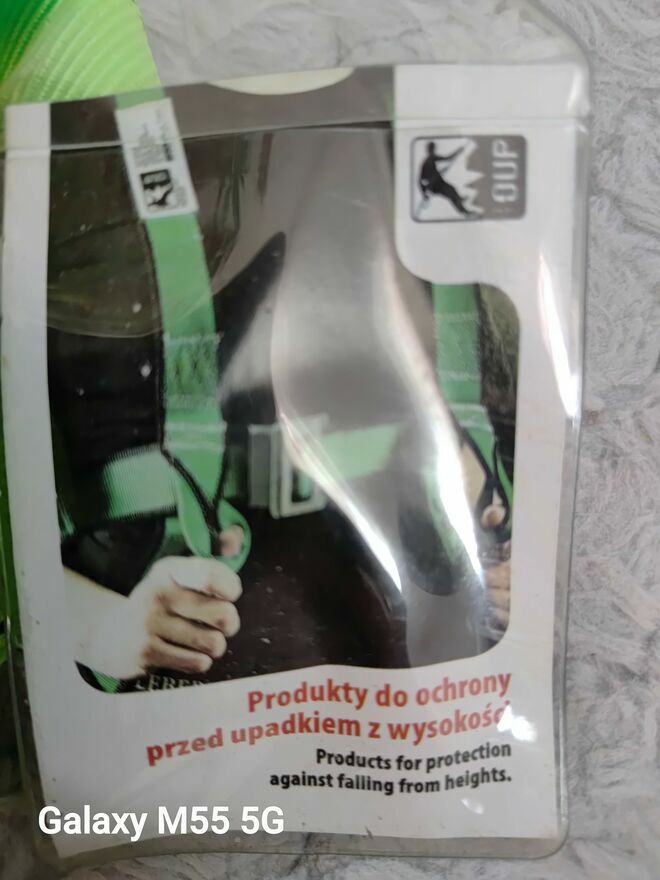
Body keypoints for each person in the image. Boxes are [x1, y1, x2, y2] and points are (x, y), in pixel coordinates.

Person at [419, 141, 476, 217]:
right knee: (452, 193)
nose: (433, 151)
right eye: (432, 149)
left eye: (433, 149)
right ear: (429, 150)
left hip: (439, 183)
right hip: (435, 186)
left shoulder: (431, 159)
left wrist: (457, 152)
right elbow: (420, 180)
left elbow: (448, 158)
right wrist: (424, 193)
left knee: (452, 190)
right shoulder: (427, 161)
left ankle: (462, 205)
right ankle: (464, 211)